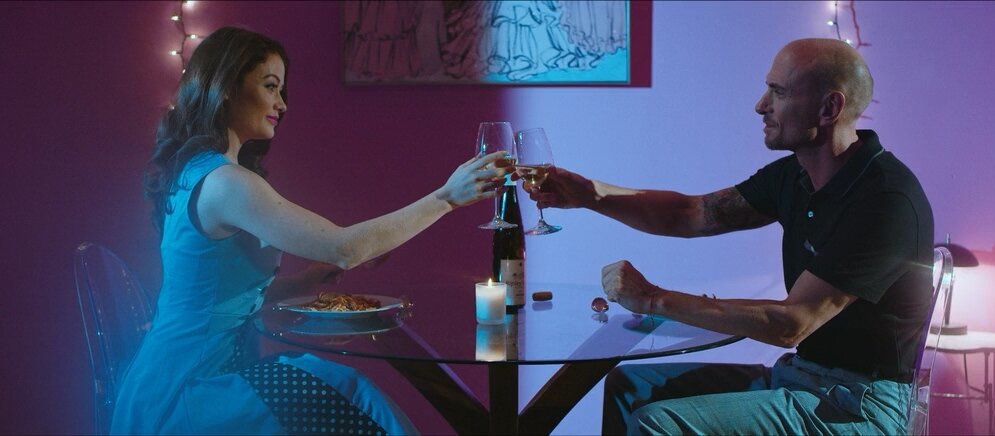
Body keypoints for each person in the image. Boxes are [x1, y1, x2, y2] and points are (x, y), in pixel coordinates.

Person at [114, 26, 509, 434]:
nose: (282, 103)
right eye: (270, 86)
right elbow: (345, 248)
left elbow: (216, 298)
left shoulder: (200, 170)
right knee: (350, 394)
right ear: (227, 86)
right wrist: (447, 197)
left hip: (173, 382)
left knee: (340, 387)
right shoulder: (227, 183)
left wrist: (307, 280)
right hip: (189, 393)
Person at [527, 38, 933, 434]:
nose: (760, 105)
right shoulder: (794, 175)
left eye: (778, 92)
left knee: (659, 422)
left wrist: (653, 299)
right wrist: (591, 195)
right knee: (627, 387)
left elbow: (792, 323)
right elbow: (691, 214)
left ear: (829, 108)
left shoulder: (885, 199)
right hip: (801, 375)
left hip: (861, 405)